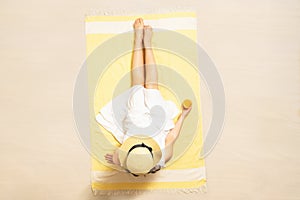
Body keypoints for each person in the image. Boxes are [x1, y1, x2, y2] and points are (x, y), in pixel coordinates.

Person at [96, 18, 192, 176]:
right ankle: (143, 40)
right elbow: (172, 136)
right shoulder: (122, 159)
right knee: (141, 84)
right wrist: (183, 115)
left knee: (149, 85)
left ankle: (143, 40)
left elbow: (172, 136)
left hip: (153, 121)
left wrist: (183, 115)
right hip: (142, 119)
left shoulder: (161, 158)